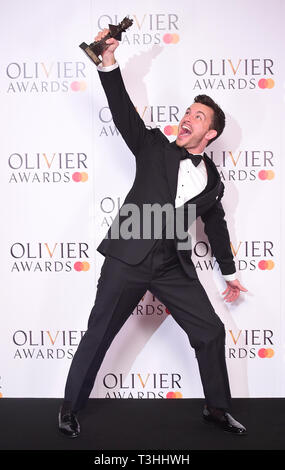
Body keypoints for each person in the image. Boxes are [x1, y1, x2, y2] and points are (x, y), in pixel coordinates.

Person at [58, 29, 248, 438]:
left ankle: (217, 408)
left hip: (172, 266)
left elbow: (215, 226)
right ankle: (70, 408)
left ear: (210, 134)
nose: (187, 118)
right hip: (128, 257)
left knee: (211, 331)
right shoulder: (153, 146)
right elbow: (123, 109)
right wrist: (108, 62)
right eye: (188, 112)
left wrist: (229, 274)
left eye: (198, 116)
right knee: (100, 332)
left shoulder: (213, 181)